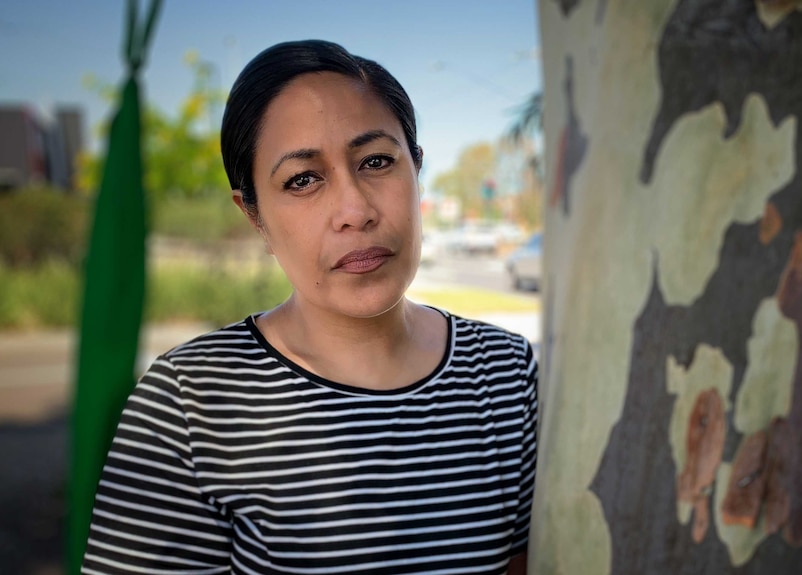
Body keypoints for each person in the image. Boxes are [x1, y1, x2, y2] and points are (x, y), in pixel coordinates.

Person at [82, 39, 538, 575]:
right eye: (303, 179)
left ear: (416, 171)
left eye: (376, 161)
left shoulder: (505, 372)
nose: (355, 210)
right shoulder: (191, 404)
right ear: (253, 215)